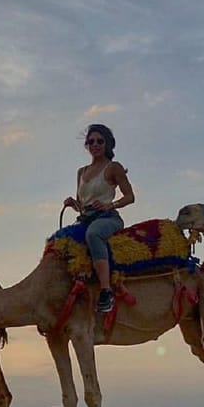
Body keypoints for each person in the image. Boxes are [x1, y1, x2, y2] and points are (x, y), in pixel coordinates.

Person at [63, 124, 135, 313]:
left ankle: (106, 291)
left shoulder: (113, 168)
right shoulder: (81, 172)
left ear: (107, 144)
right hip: (86, 218)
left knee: (93, 234)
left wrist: (109, 205)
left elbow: (129, 197)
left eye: (99, 141)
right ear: (87, 145)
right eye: (91, 141)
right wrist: (73, 204)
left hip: (108, 217)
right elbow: (83, 204)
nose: (95, 145)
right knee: (62, 241)